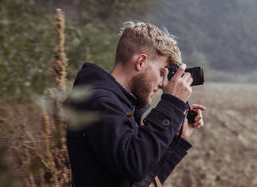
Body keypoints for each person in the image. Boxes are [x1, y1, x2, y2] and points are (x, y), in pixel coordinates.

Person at [65, 21, 205, 187]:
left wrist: (177, 138)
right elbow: (134, 164)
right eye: (162, 73)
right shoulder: (99, 102)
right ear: (140, 62)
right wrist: (171, 105)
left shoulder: (118, 105)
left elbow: (140, 181)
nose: (162, 84)